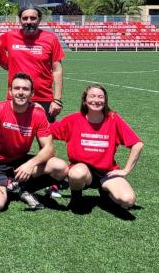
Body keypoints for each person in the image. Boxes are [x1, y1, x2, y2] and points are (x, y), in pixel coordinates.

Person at [0, 73, 67, 211]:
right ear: (10, 91)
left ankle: (20, 187)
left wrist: (30, 164)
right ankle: (0, 184)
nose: (21, 92)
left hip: (20, 163)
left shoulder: (38, 114)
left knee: (60, 167)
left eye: (25, 89)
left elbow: (49, 148)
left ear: (32, 93)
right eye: (17, 88)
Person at [50, 84, 143, 212]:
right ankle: (76, 198)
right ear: (84, 100)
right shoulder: (74, 119)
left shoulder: (113, 119)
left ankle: (105, 193)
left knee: (128, 200)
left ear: (105, 101)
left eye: (100, 97)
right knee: (77, 174)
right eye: (92, 96)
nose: (96, 100)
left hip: (106, 172)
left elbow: (137, 144)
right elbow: (46, 131)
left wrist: (126, 170)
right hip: (83, 171)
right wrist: (33, 114)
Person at [0, 6, 65, 122]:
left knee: (45, 138)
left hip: (44, 98)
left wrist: (57, 99)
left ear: (39, 19)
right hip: (17, 96)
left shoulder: (51, 38)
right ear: (20, 20)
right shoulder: (10, 36)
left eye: (33, 18)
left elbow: (57, 70)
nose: (28, 21)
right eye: (25, 18)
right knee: (13, 137)